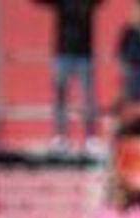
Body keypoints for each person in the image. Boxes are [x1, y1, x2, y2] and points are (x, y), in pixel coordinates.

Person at [37, 0, 103, 151]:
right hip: (62, 53)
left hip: (84, 55)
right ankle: (60, 137)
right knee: (60, 97)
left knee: (88, 98)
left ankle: (91, 137)